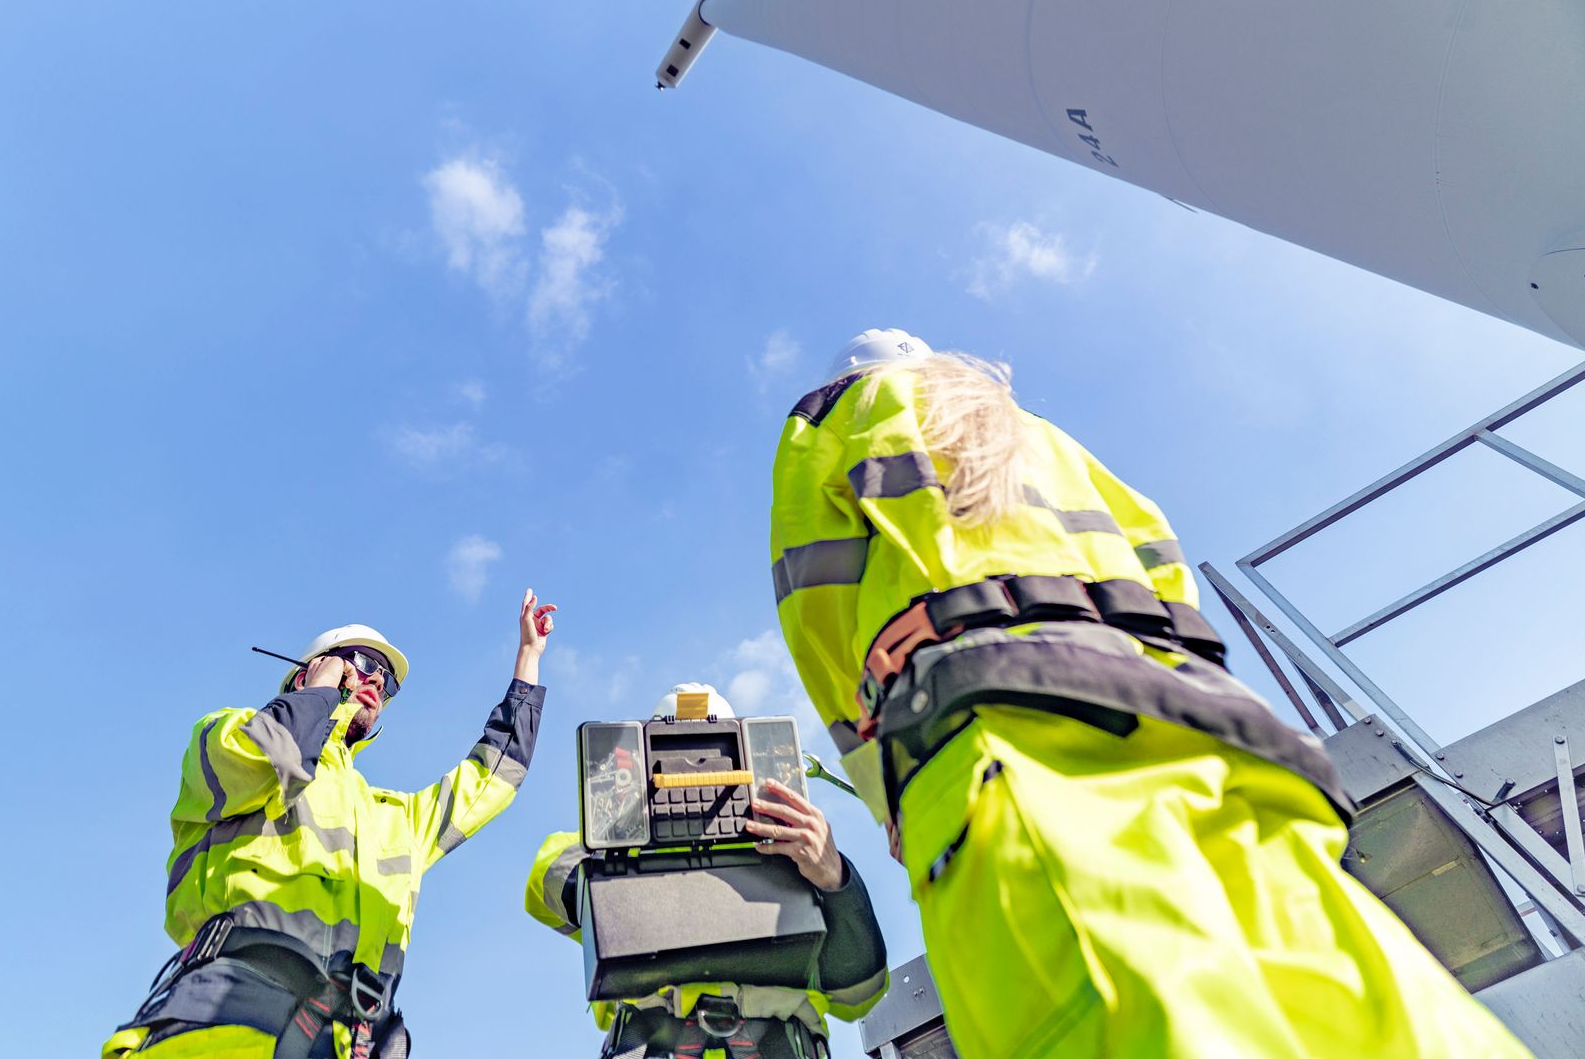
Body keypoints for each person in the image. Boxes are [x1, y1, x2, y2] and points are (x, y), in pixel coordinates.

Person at [769, 330, 1531, 1059]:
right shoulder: (1036, 431)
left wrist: (883, 788)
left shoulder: (830, 421)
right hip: (1188, 715)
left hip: (989, 732)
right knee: (1329, 973)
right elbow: (1165, 570)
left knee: (1104, 1001)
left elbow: (819, 615)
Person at [101, 590, 557, 1059]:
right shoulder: (228, 733)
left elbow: (494, 777)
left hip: (350, 1039)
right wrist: (318, 694)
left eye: (388, 681)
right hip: (229, 1025)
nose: (378, 680)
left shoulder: (393, 817)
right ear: (308, 672)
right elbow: (273, 753)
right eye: (362, 662)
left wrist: (528, 660)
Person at [523, 684, 888, 1059]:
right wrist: (625, 838)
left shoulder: (799, 855)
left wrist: (837, 879)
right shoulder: (616, 849)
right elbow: (545, 878)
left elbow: (860, 991)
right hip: (652, 1043)